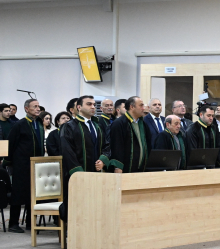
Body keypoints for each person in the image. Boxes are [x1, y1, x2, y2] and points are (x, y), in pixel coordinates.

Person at [59, 96, 109, 225]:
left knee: (94, 205)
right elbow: (67, 152)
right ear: (79, 107)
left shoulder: (97, 126)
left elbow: (107, 146)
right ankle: (74, 232)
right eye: (89, 104)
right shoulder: (69, 127)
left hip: (96, 173)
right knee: (76, 205)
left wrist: (103, 160)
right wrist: (79, 174)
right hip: (76, 174)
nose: (93, 107)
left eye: (94, 104)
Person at [5, 99, 45, 233]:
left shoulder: (39, 123)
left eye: (38, 106)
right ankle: (13, 223)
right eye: (35, 106)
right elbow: (11, 144)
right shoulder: (19, 124)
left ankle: (30, 222)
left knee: (33, 194)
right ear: (26, 109)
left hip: (36, 164)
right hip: (21, 164)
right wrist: (10, 161)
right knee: (18, 193)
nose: (38, 109)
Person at [108, 96, 152, 174]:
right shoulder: (119, 123)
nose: (143, 108)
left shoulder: (143, 124)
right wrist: (118, 166)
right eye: (141, 105)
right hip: (125, 168)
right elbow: (116, 147)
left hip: (141, 168)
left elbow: (148, 145)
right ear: (132, 107)